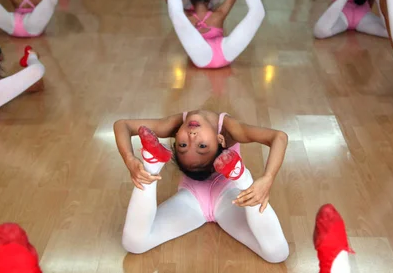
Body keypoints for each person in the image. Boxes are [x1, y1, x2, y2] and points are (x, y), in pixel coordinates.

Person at [114, 111, 289, 262]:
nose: (191, 137)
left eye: (202, 146)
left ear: (221, 140)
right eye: (182, 145)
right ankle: (152, 163)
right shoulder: (175, 125)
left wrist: (268, 178)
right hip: (193, 200)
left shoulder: (230, 129)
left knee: (277, 254)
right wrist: (130, 160)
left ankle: (243, 178)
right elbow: (122, 125)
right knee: (134, 244)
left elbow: (279, 137)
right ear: (173, 143)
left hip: (230, 198)